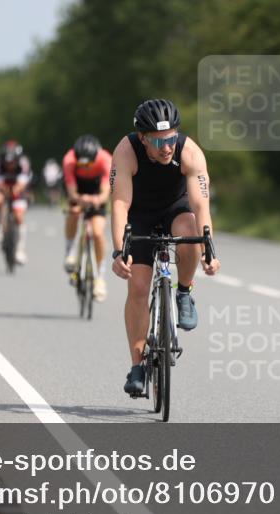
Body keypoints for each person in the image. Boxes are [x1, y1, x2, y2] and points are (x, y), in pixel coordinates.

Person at [110, 99, 220, 395]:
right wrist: (120, 251)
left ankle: (184, 291)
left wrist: (209, 247)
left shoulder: (190, 152)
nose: (167, 147)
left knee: (189, 232)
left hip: (176, 207)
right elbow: (120, 204)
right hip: (139, 213)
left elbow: (201, 205)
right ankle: (137, 366)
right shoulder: (126, 151)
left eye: (171, 138)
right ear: (143, 138)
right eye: (158, 141)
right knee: (138, 287)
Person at [62, 135, 113, 301]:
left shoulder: (105, 159)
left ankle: (99, 277)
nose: (85, 166)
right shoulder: (69, 160)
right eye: (81, 163)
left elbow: (106, 191)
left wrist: (98, 200)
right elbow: (71, 191)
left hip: (96, 190)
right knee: (74, 212)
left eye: (88, 163)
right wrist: (78, 200)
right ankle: (70, 251)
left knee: (98, 233)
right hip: (78, 189)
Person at [0, 140, 32, 264]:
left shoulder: (24, 163)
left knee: (19, 217)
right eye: (7, 162)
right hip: (3, 186)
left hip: (18, 188)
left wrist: (17, 189)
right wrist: (4, 190)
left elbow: (23, 182)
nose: (10, 165)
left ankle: (20, 249)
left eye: (12, 162)